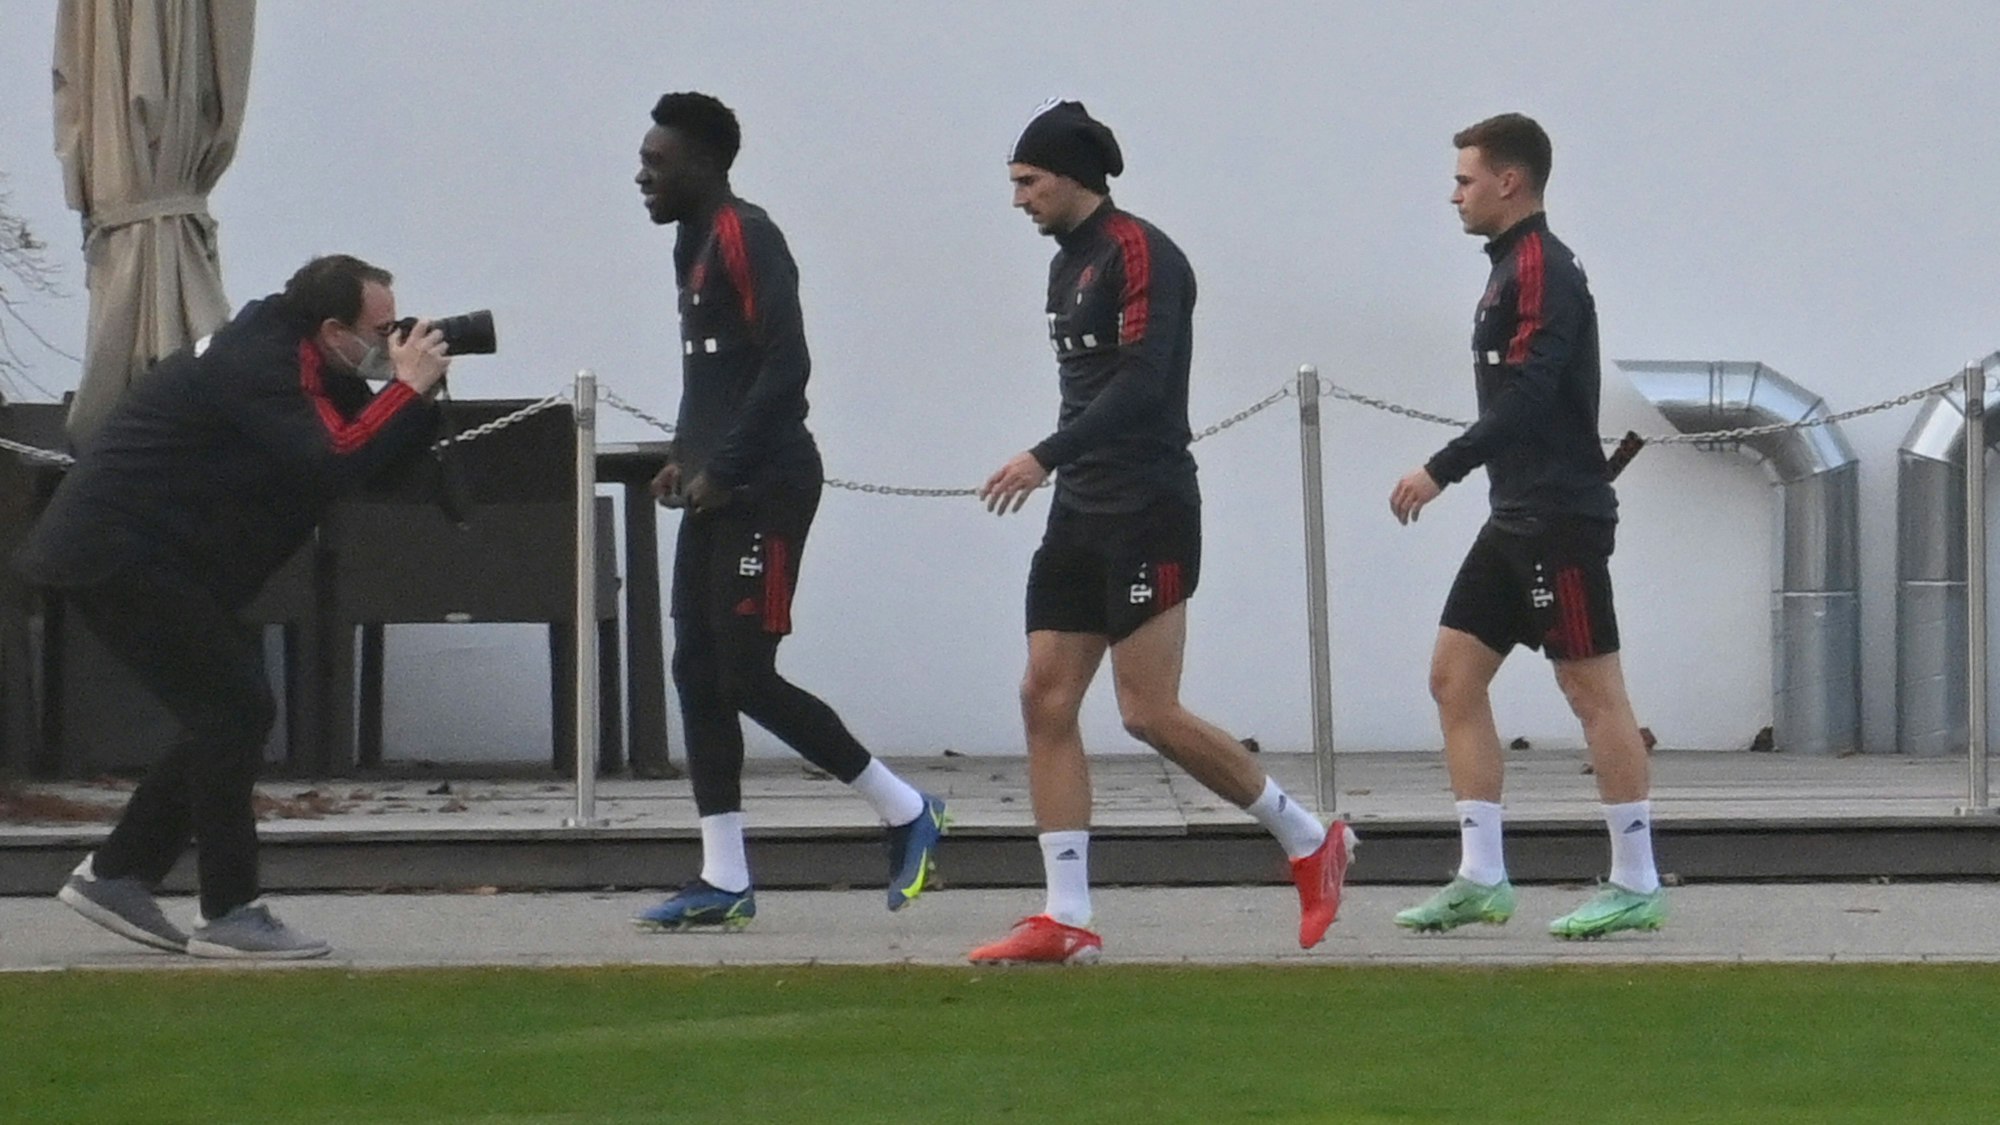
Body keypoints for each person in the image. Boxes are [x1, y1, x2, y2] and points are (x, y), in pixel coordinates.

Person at [970, 100, 1355, 965]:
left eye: (1029, 181)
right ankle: (1066, 915)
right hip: (1081, 509)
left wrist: (1042, 455)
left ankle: (1307, 837)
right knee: (1044, 695)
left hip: (1148, 507)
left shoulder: (1142, 252)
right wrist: (1059, 468)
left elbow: (1142, 388)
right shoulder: (1064, 266)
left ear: (1074, 176)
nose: (1019, 199)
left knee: (1146, 709)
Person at [20, 254, 451, 958]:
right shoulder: (266, 364)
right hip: (117, 552)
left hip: (148, 554)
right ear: (333, 327)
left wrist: (417, 399)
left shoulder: (298, 348)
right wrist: (404, 389)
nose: (389, 342)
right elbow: (335, 457)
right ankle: (226, 910)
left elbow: (370, 458)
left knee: (228, 712)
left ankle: (119, 872)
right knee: (232, 709)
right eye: (380, 330)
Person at [631, 92, 945, 931]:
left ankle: (907, 807)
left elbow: (785, 366)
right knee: (696, 669)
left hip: (766, 488)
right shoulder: (689, 243)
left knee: (744, 673)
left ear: (703, 165)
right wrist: (683, 455)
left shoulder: (744, 233)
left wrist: (725, 467)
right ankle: (724, 875)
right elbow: (715, 374)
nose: (641, 177)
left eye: (656, 163)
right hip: (718, 484)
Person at [1388, 113, 1665, 940]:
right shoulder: (1508, 267)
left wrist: (1441, 467)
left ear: (1511, 182)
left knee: (1592, 692)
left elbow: (1535, 392)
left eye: (1465, 179)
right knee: (1452, 676)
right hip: (1516, 518)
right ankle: (1481, 876)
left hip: (1558, 519)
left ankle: (1637, 881)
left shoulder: (1542, 267)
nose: (1454, 195)